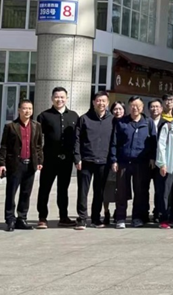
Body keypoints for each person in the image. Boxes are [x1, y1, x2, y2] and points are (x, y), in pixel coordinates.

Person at [36, 87, 80, 228]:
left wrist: (76, 157)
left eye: (62, 97)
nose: (59, 99)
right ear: (52, 98)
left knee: (63, 189)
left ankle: (63, 217)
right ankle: (42, 217)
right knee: (44, 188)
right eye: (56, 97)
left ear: (66, 98)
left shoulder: (74, 116)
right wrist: (39, 158)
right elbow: (37, 140)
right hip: (49, 159)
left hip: (66, 160)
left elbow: (77, 139)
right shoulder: (44, 116)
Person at [110, 97, 157, 229]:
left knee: (140, 191)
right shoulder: (122, 122)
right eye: (132, 105)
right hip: (123, 162)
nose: (135, 108)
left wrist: (152, 158)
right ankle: (120, 218)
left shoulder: (148, 122)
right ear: (129, 107)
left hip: (141, 163)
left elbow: (153, 142)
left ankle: (137, 218)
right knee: (121, 192)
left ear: (142, 107)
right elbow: (114, 142)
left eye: (138, 105)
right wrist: (114, 160)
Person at [0, 99, 44, 231]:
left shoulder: (36, 126)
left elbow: (39, 145)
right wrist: (1, 163)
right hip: (15, 164)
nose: (27, 111)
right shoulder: (11, 126)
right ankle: (10, 220)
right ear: (19, 110)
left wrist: (39, 161)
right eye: (24, 108)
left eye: (30, 108)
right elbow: (4, 146)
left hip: (30, 164)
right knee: (11, 193)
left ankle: (22, 219)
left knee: (25, 193)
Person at [73, 91, 115, 230]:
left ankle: (96, 218)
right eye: (98, 100)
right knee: (82, 191)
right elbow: (77, 140)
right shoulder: (84, 118)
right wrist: (77, 158)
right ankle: (82, 218)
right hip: (86, 160)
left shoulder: (112, 120)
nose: (101, 103)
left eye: (103, 101)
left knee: (99, 191)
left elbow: (114, 141)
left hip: (103, 161)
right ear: (93, 102)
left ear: (107, 103)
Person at [102, 101, 126, 226]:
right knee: (107, 188)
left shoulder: (127, 122)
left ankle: (118, 212)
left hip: (122, 160)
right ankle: (106, 212)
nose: (118, 111)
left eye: (120, 109)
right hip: (107, 160)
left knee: (120, 189)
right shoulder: (108, 122)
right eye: (115, 109)